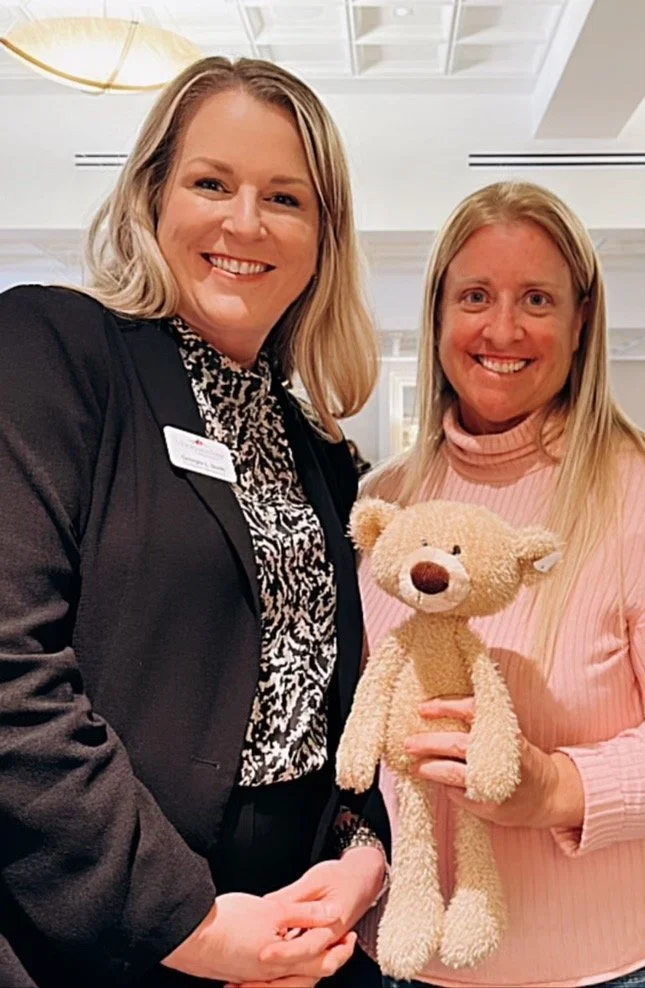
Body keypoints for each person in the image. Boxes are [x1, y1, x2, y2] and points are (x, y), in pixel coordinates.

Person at [0, 56, 389, 988]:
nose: (244, 224)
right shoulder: (55, 349)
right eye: (211, 183)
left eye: (285, 198)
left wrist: (362, 854)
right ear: (152, 196)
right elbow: (11, 673)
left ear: (323, 237)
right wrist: (189, 923)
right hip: (101, 927)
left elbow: (344, 694)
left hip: (300, 921)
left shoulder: (318, 448)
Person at [357, 180, 645, 988]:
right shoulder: (383, 502)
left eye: (537, 300)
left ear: (581, 321)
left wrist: (556, 788)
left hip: (599, 972)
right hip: (400, 963)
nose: (502, 330)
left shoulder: (632, 492)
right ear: (438, 314)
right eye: (475, 296)